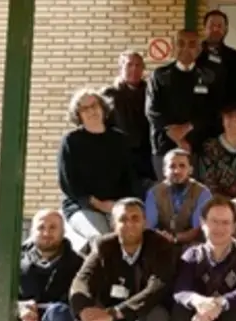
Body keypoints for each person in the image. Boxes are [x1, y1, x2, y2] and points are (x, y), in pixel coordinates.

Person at [58, 87, 141, 241]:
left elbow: (129, 178)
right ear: (78, 115)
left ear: (103, 107)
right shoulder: (71, 141)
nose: (91, 111)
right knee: (103, 239)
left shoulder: (119, 140)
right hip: (82, 206)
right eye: (84, 108)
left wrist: (120, 205)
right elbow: (69, 184)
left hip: (116, 206)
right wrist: (99, 204)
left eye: (94, 105)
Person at [145, 29, 225, 177]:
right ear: (174, 47)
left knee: (195, 196)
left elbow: (212, 110)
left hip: (196, 148)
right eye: (181, 43)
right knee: (166, 196)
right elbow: (152, 110)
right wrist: (175, 135)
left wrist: (188, 127)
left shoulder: (208, 76)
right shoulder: (159, 76)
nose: (186, 48)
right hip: (164, 147)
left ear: (199, 49)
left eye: (192, 44)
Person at [144, 149, 212, 248]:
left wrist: (174, 238)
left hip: (192, 245)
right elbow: (150, 226)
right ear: (164, 171)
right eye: (172, 166)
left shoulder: (203, 193)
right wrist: (163, 237)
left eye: (182, 166)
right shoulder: (154, 193)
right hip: (161, 243)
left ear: (190, 170)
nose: (177, 171)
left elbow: (196, 229)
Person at [103, 50, 154, 182]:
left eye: (138, 65)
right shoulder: (109, 95)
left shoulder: (151, 92)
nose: (134, 69)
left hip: (147, 156)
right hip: (120, 155)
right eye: (129, 65)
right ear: (121, 68)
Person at [196, 102, 236, 198]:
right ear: (222, 120)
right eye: (229, 116)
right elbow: (206, 183)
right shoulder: (209, 147)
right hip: (217, 203)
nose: (234, 120)